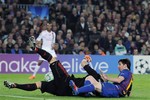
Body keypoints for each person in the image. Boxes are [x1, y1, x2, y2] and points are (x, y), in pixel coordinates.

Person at [4, 44, 103, 96]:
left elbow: (83, 64)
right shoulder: (96, 89)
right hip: (62, 92)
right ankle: (15, 85)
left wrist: (86, 59)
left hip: (66, 82)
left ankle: (35, 48)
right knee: (39, 84)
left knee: (51, 59)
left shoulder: (95, 75)